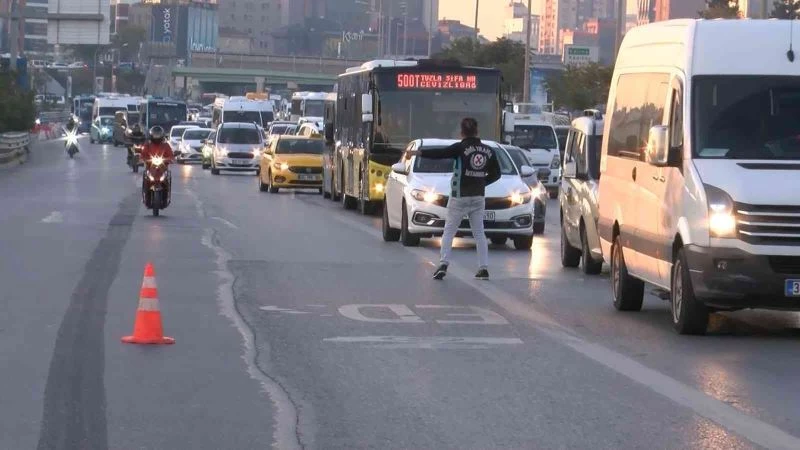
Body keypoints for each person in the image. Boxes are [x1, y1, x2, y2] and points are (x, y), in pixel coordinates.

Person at [411, 117, 501, 280]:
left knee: (449, 231)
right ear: (477, 131)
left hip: (460, 196)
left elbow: (440, 154)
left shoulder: (460, 148)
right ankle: (483, 268)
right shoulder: (488, 151)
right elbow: (497, 174)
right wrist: (481, 182)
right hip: (478, 197)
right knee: (479, 233)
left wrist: (418, 152)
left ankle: (443, 264)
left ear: (462, 132)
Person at [140, 126, 174, 203]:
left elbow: (171, 155)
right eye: (155, 135)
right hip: (150, 167)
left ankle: (166, 198)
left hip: (162, 167)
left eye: (158, 135)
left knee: (166, 181)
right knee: (146, 180)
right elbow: (143, 154)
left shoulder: (165, 145)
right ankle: (146, 197)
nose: (156, 137)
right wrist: (143, 159)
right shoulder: (148, 145)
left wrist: (170, 159)